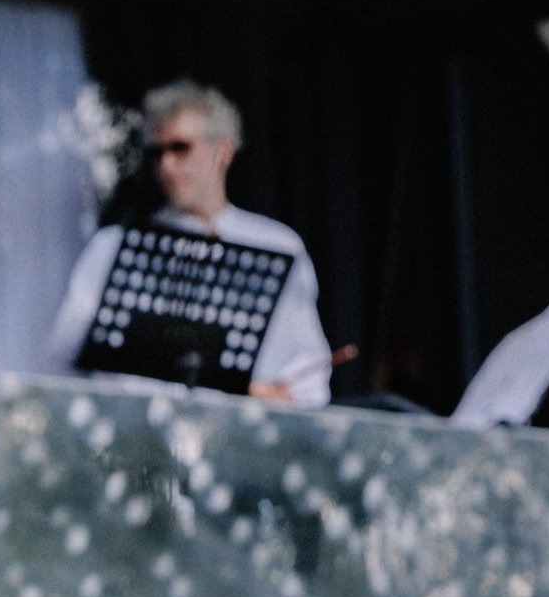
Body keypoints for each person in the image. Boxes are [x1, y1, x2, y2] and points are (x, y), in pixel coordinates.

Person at [43, 80, 333, 410]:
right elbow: (64, 355)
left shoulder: (278, 244)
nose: (166, 165)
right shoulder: (113, 245)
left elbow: (307, 370)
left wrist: (278, 395)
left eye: (180, 148)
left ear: (223, 150)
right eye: (157, 152)